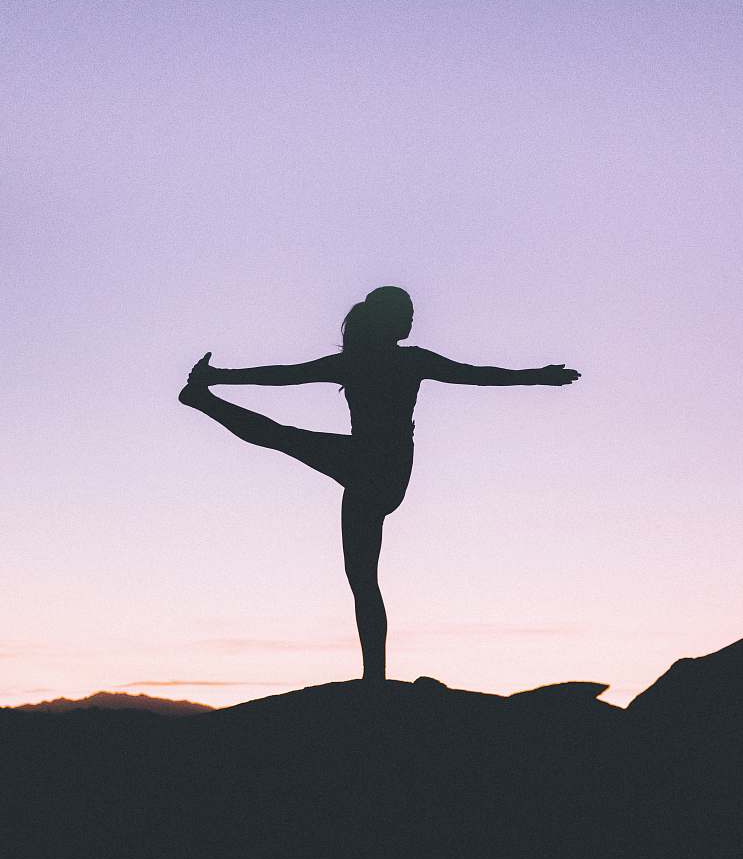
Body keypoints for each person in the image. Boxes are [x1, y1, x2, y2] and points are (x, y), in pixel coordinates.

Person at [179, 285, 580, 684]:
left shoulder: (362, 363)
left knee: (284, 438)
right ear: (387, 319)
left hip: (370, 467)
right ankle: (375, 678)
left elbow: (477, 377)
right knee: (363, 580)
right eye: (406, 312)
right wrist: (539, 377)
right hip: (378, 473)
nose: (412, 319)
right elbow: (284, 376)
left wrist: (218, 376)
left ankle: (203, 399)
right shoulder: (401, 361)